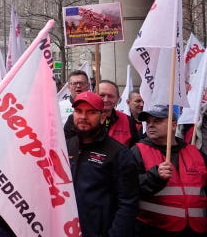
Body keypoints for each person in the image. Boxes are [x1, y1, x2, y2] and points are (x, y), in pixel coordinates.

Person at [66, 91, 139, 236]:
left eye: (91, 112)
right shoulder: (65, 146)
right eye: (78, 111)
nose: (83, 117)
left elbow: (128, 203)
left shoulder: (119, 153)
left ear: (103, 117)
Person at [132, 105, 207, 236]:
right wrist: (154, 177)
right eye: (148, 121)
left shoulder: (195, 152)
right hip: (154, 229)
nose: (150, 125)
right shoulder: (137, 151)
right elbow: (126, 188)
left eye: (157, 121)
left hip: (196, 229)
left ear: (173, 125)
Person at [66, 80, 139, 146]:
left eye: (110, 96)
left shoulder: (128, 121)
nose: (106, 100)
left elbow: (133, 149)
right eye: (102, 95)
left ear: (118, 99)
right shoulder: (76, 119)